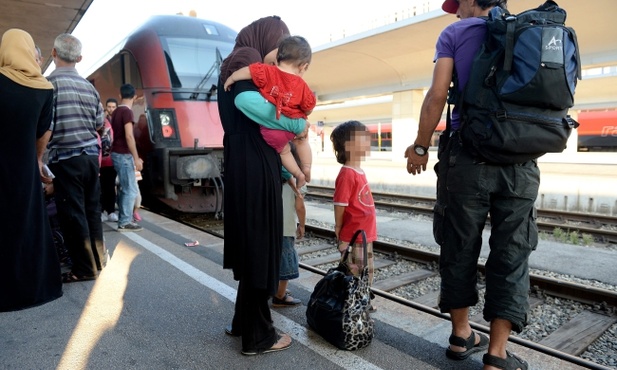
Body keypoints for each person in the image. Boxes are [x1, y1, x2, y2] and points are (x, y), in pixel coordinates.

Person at [405, 1, 532, 369]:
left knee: (458, 243)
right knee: (512, 252)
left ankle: (461, 335)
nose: (454, 12)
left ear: (472, 2)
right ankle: (497, 355)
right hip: (520, 160)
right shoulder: (532, 29)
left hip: (467, 157)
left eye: (457, 5)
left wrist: (420, 145)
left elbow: (437, 94)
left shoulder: (455, 33)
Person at [218, 15, 308, 355]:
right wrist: (295, 121)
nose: (282, 54)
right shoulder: (247, 60)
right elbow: (248, 106)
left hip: (247, 159)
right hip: (254, 162)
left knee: (253, 242)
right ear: (267, 38)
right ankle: (258, 337)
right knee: (260, 245)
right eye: (280, 45)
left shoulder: (241, 60)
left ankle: (243, 323)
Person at [0, 28, 63, 311]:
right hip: (24, 167)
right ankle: (29, 289)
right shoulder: (44, 88)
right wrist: (37, 160)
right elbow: (43, 132)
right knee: (25, 223)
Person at [45, 33, 106, 283]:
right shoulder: (89, 87)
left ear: (53, 53)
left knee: (72, 214)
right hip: (91, 158)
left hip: (65, 159)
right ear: (79, 58)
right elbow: (100, 124)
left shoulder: (49, 85)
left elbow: (45, 125)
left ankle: (84, 269)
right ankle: (98, 260)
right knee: (92, 210)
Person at [224, 35, 315, 189]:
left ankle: (297, 174)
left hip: (270, 132)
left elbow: (247, 72)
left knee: (284, 151)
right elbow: (309, 106)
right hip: (294, 125)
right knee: (302, 141)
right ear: (303, 66)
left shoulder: (267, 71)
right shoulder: (302, 85)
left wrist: (231, 78)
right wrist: (303, 113)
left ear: (278, 57)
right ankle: (306, 168)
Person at [331, 120, 376, 311]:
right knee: (355, 271)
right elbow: (340, 205)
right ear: (349, 146)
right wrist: (340, 231)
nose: (369, 141)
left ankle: (362, 299)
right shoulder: (347, 174)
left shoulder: (358, 171)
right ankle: (354, 303)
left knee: (367, 270)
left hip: (365, 234)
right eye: (363, 138)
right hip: (353, 235)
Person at [272, 142, 306, 307]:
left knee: (271, 259)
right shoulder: (297, 183)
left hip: (269, 228)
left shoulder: (270, 178)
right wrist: (302, 225)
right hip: (286, 229)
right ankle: (280, 295)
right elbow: (300, 207)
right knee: (285, 261)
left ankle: (272, 289)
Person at [110, 83, 143, 231]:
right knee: (130, 189)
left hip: (116, 153)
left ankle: (124, 219)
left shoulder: (116, 111)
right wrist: (136, 157)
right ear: (135, 97)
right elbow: (129, 136)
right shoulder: (127, 113)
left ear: (120, 95)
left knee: (125, 188)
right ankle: (125, 221)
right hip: (123, 154)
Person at [100, 98, 118, 222]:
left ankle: (111, 210)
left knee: (110, 186)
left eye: (113, 107)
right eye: (109, 107)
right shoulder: (101, 121)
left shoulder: (117, 121)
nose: (111, 109)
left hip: (112, 160)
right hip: (101, 160)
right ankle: (102, 210)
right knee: (101, 186)